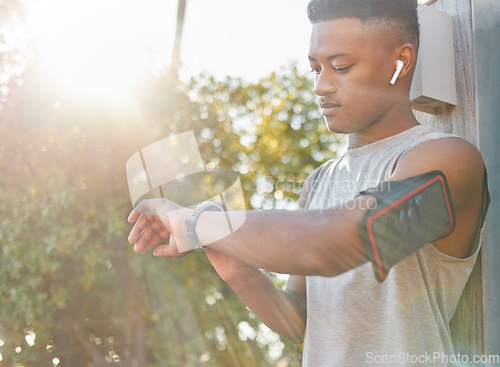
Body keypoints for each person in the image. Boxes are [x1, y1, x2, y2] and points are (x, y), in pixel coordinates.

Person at [128, 0, 489, 365]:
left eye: (341, 67)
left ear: (401, 62)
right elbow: (303, 323)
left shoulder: (449, 163)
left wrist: (194, 223)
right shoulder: (318, 182)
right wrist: (241, 272)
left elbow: (331, 244)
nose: (321, 86)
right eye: (315, 68)